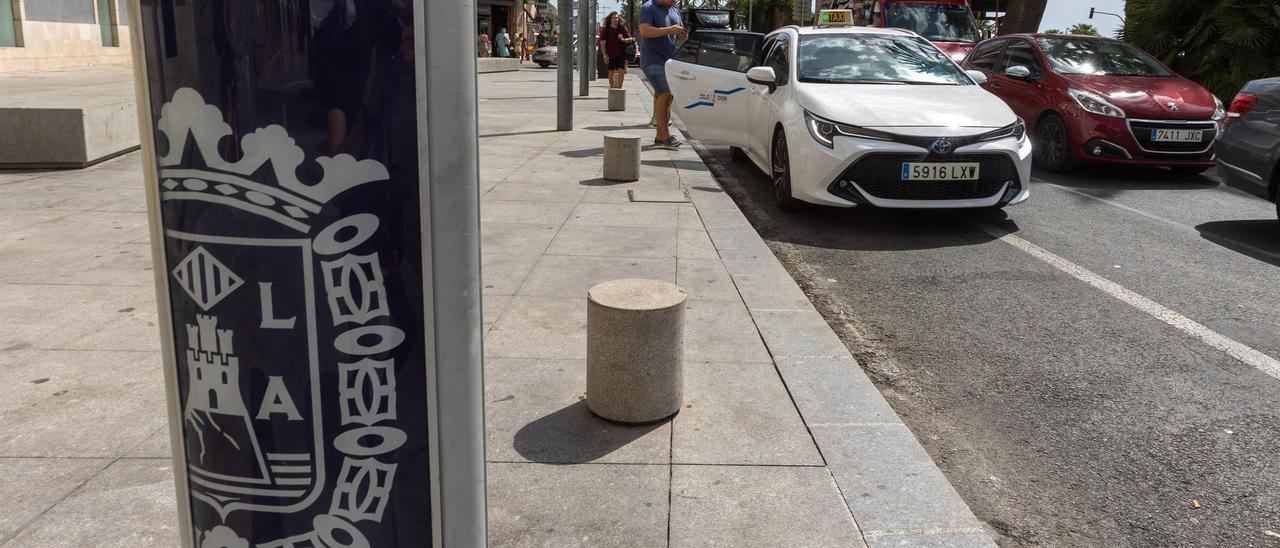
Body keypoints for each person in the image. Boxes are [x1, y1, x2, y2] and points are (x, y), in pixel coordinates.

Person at [639, 0, 687, 149]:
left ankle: (660, 136)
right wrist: (669, 29)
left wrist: (682, 35)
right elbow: (645, 31)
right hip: (652, 60)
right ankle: (666, 136)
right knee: (665, 92)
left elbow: (676, 35)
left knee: (668, 96)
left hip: (670, 61)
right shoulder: (648, 8)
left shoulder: (674, 10)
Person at [597, 12, 636, 89]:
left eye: (617, 18)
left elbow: (631, 39)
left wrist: (623, 39)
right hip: (611, 54)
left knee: (621, 70)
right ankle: (612, 88)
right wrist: (605, 56)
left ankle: (619, 89)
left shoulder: (622, 28)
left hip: (621, 54)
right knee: (611, 71)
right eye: (614, 18)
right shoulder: (606, 30)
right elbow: (602, 44)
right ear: (610, 19)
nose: (616, 19)